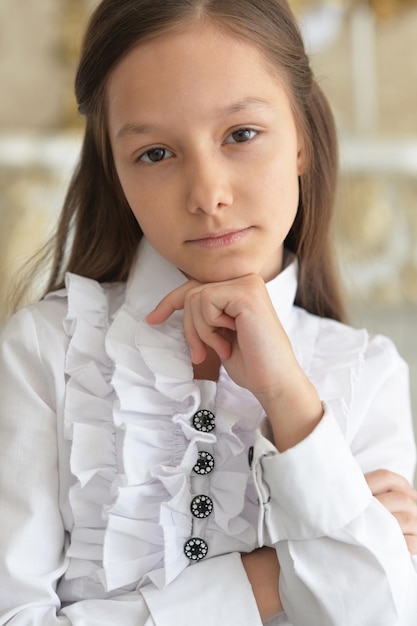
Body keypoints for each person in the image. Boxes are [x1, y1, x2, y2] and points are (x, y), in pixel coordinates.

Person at [0, 0, 416, 624]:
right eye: (156, 154)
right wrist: (266, 580)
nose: (207, 194)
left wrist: (289, 399)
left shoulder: (368, 372)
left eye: (241, 135)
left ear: (302, 138)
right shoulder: (46, 351)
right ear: (116, 172)